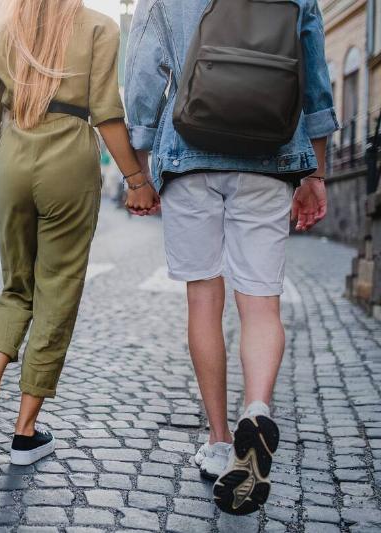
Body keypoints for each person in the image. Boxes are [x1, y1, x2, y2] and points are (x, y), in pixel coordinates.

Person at [125, 0, 337, 515]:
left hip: (189, 153)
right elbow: (314, 79)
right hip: (270, 155)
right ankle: (256, 409)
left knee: (203, 300)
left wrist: (141, 163)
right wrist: (315, 172)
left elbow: (144, 76)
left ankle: (220, 440)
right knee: (261, 303)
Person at [0, 0, 157, 466]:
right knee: (57, 290)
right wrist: (137, 180)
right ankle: (24, 432)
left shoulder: (2, 31)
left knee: (15, 286)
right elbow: (106, 112)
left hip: (14, 155)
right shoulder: (99, 27)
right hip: (69, 157)